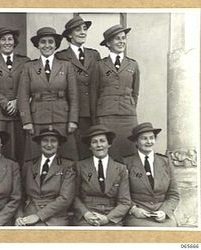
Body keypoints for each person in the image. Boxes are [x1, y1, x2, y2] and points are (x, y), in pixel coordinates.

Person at [17, 27, 79, 161]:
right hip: (37, 118)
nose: (47, 45)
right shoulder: (29, 67)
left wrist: (73, 120)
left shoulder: (66, 66)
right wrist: (26, 121)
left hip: (62, 117)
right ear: (38, 45)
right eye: (43, 42)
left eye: (50, 42)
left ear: (56, 45)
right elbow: (23, 96)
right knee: (35, 156)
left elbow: (74, 96)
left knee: (66, 156)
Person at [56, 15, 101, 160]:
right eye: (78, 30)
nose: (83, 32)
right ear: (69, 34)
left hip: (93, 111)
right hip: (72, 112)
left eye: (84, 29)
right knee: (74, 151)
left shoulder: (94, 55)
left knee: (92, 150)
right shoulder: (61, 56)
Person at [92, 24, 140, 160]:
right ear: (108, 43)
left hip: (127, 116)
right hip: (106, 115)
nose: (121, 42)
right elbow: (94, 94)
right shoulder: (100, 65)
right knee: (108, 151)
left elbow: (135, 93)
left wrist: (128, 107)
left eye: (123, 38)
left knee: (129, 150)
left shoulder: (133, 65)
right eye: (117, 39)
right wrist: (96, 118)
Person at [0, 27, 30, 166]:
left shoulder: (25, 62)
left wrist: (17, 102)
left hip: (18, 115)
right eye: (3, 39)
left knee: (19, 151)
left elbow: (29, 86)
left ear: (14, 42)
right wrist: (5, 103)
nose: (7, 42)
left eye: (10, 39)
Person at [123, 122, 180, 227]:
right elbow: (122, 194)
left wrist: (165, 211)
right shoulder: (126, 163)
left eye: (151, 138)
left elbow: (174, 194)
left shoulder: (165, 162)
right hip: (138, 216)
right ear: (136, 141)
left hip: (162, 215)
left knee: (172, 231)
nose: (149, 142)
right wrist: (133, 209)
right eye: (144, 138)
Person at [15, 128, 76, 226]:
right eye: (45, 140)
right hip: (29, 214)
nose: (49, 144)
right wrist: (19, 216)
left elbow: (65, 198)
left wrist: (38, 216)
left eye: (53, 141)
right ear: (39, 143)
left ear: (58, 144)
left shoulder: (67, 165)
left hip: (55, 217)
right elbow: (19, 195)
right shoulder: (28, 165)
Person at [73, 124, 131, 226]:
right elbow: (73, 196)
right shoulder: (80, 166)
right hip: (87, 216)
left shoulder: (120, 168)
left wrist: (108, 218)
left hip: (111, 216)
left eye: (102, 141)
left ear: (109, 144)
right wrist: (86, 214)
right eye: (94, 142)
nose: (99, 145)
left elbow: (125, 202)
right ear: (90, 147)